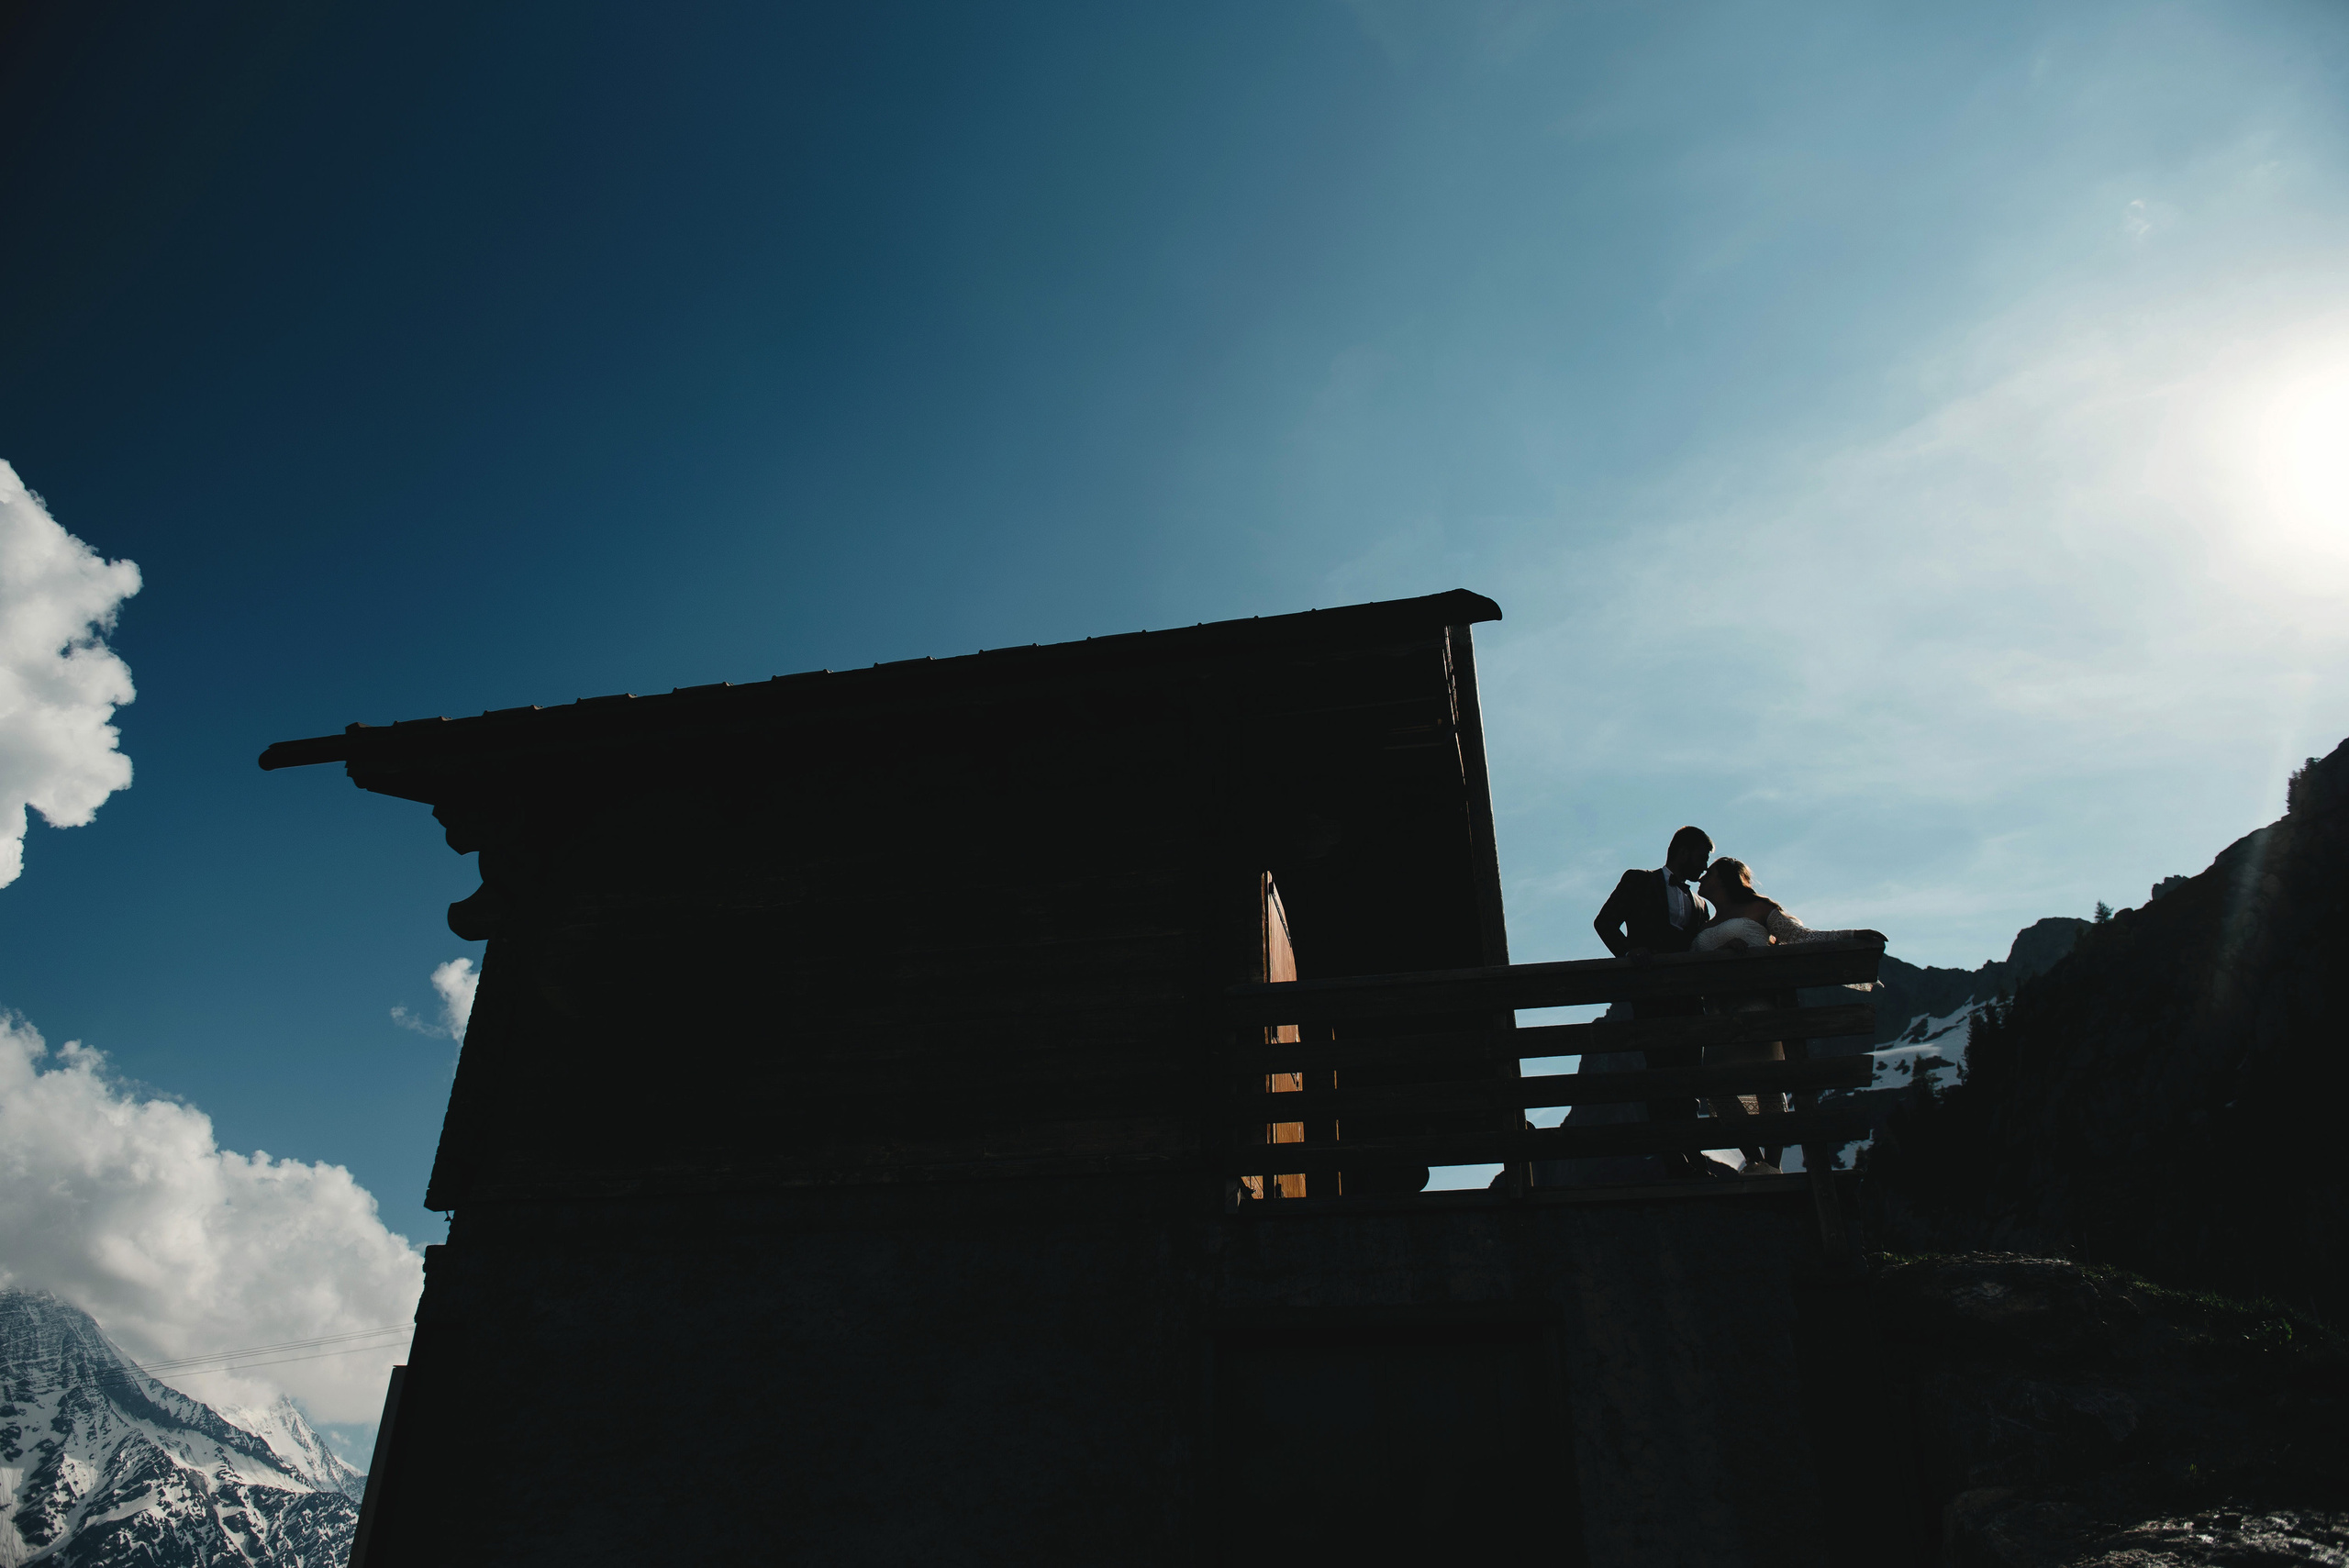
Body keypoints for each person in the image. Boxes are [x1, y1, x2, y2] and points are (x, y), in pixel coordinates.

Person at [1690, 856, 1882, 1174]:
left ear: (1723, 879)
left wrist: (1851, 935)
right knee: (1718, 1089)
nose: (1701, 876)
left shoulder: (1759, 908)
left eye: (1708, 872)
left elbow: (1801, 936)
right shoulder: (1704, 926)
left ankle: (1771, 1164)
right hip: (1718, 1016)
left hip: (1757, 1008)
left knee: (1767, 1083)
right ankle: (1755, 1160)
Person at [1592, 827, 1716, 1174]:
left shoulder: (1701, 905)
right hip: (1651, 995)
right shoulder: (1638, 881)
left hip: (1690, 1000)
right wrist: (1629, 952)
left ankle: (1691, 1153)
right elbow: (1604, 923)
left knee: (1690, 1078)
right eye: (1702, 857)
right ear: (1684, 852)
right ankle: (1671, 1156)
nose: (1705, 866)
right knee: (1661, 1074)